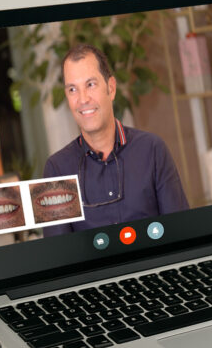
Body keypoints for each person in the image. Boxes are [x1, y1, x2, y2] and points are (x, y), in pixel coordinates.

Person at [43, 44, 189, 236]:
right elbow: (59, 256)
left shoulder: (152, 150)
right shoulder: (57, 170)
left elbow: (182, 231)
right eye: (72, 89)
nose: (83, 99)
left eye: (90, 84)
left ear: (111, 88)